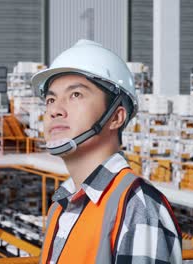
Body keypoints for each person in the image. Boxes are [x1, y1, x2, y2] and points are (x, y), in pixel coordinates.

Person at [32, 39, 182, 264]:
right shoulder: (59, 207)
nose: (54, 109)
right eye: (51, 99)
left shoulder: (136, 205)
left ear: (116, 117)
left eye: (76, 95)